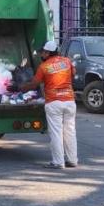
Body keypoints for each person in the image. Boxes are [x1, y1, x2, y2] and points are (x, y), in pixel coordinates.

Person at [14, 40, 78, 169]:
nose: (41, 54)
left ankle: (58, 162)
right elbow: (73, 74)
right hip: (70, 101)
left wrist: (20, 88)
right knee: (70, 131)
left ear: (48, 52)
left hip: (54, 102)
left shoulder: (44, 67)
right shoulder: (67, 61)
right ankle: (72, 160)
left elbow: (34, 84)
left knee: (56, 132)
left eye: (43, 52)